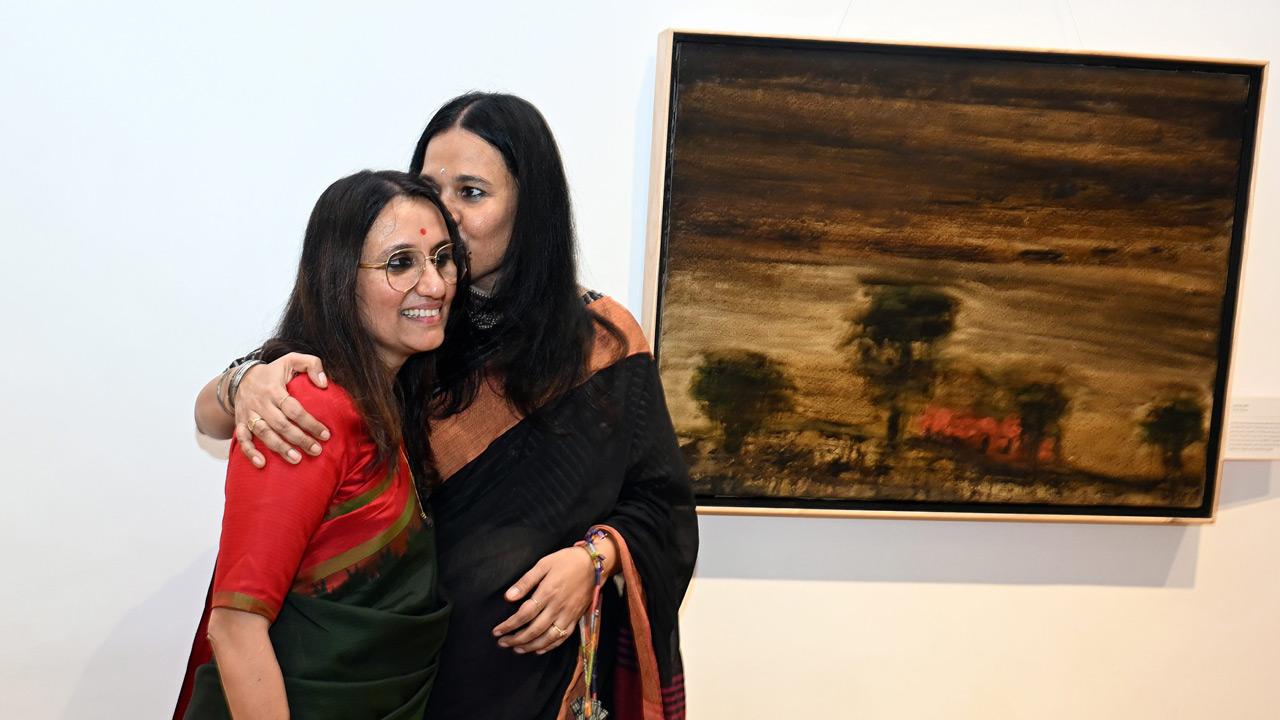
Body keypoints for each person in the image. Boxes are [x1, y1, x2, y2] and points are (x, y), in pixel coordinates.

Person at [193, 93, 698, 720]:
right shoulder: (405, 317)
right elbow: (218, 413)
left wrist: (593, 560)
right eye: (434, 188)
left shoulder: (600, 343)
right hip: (379, 679)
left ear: (529, 207)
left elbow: (661, 505)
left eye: (473, 192)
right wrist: (245, 382)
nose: (447, 215)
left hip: (529, 686)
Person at [176, 170, 465, 719]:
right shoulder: (308, 407)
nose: (434, 284)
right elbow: (236, 627)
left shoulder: (391, 401)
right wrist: (240, 383)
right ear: (338, 277)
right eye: (400, 263)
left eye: (443, 257)